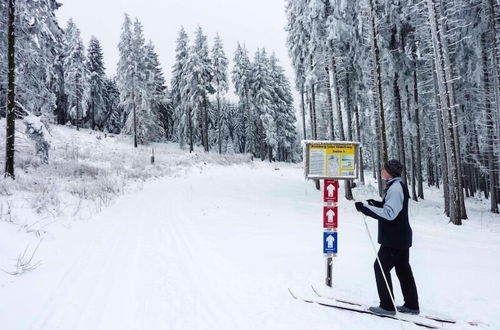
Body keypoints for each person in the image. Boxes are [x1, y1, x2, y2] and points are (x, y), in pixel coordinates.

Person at [354, 159, 420, 316]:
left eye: (384, 169)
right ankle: (411, 305)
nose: (382, 170)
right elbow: (392, 208)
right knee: (403, 270)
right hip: (400, 237)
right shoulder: (395, 186)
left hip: (394, 239)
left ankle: (387, 306)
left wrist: (365, 209)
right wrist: (377, 204)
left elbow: (390, 214)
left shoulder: (396, 189)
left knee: (380, 268)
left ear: (390, 172)